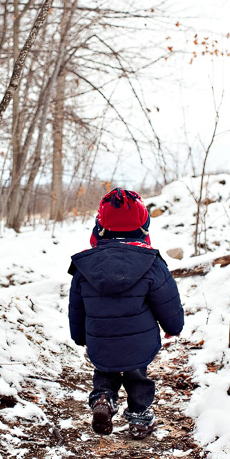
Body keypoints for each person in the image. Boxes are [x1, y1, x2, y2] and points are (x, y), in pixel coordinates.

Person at [68, 187, 184, 439]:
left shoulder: (84, 265)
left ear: (101, 226)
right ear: (142, 226)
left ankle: (103, 398)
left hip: (100, 338)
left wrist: (79, 336)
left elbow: (77, 306)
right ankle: (139, 417)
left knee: (104, 370)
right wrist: (173, 327)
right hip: (140, 341)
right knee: (137, 375)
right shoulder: (151, 262)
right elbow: (167, 300)